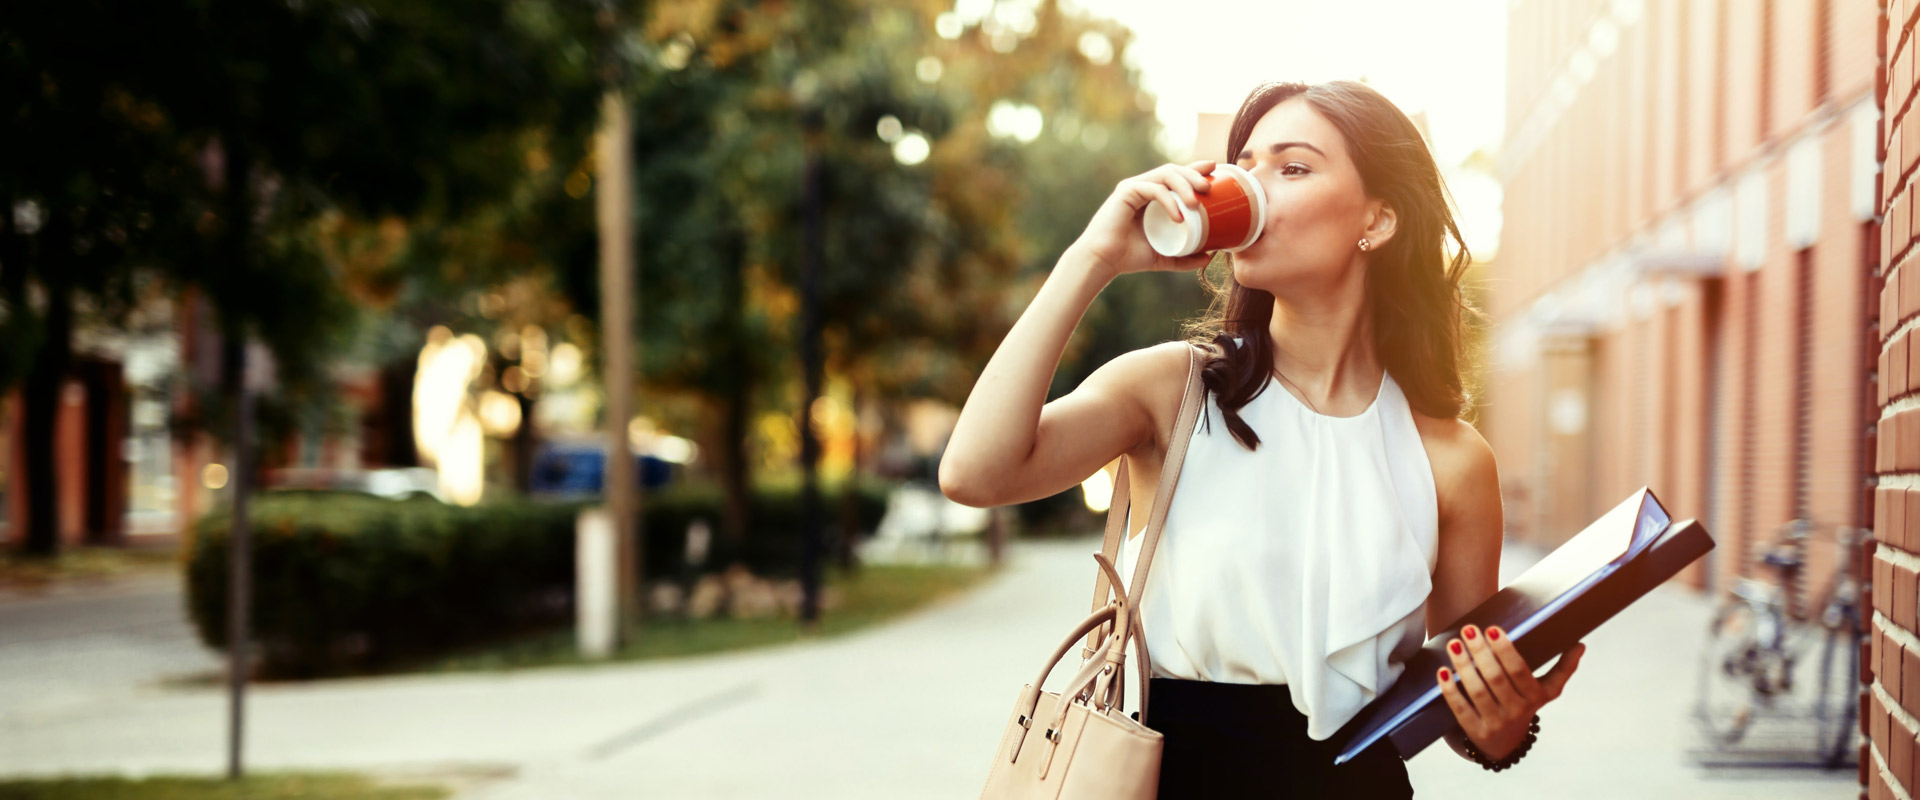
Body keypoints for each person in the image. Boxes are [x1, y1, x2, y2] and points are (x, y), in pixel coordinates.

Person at [939, 79, 1587, 797]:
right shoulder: (1172, 391)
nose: (1253, 185)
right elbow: (975, 473)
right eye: (1245, 164)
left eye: (1293, 166)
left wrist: (1501, 729)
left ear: (1378, 217)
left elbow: (1462, 707)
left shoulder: (1454, 462)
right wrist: (1094, 257)